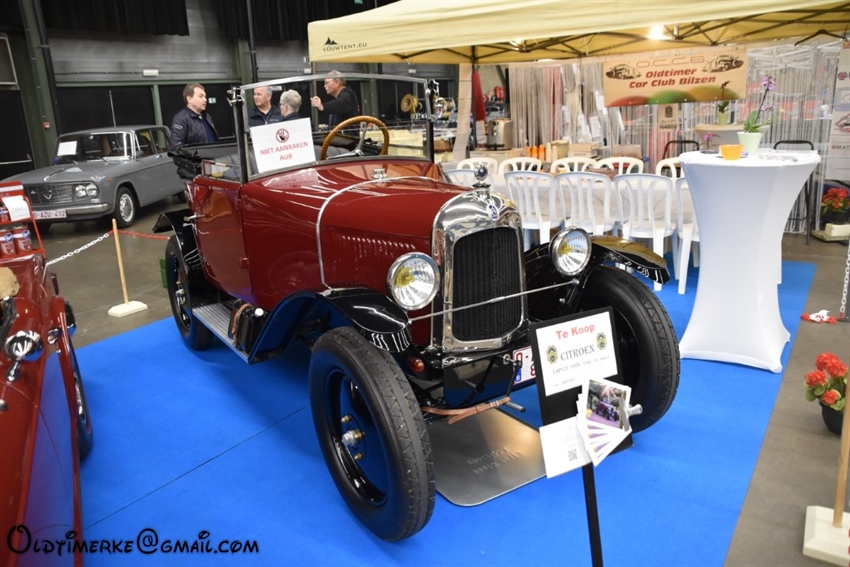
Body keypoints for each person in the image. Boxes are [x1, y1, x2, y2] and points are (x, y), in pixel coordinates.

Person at [169, 82, 219, 150]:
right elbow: (176, 147)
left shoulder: (207, 117)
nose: (205, 99)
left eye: (205, 96)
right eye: (200, 96)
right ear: (189, 99)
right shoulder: (181, 119)